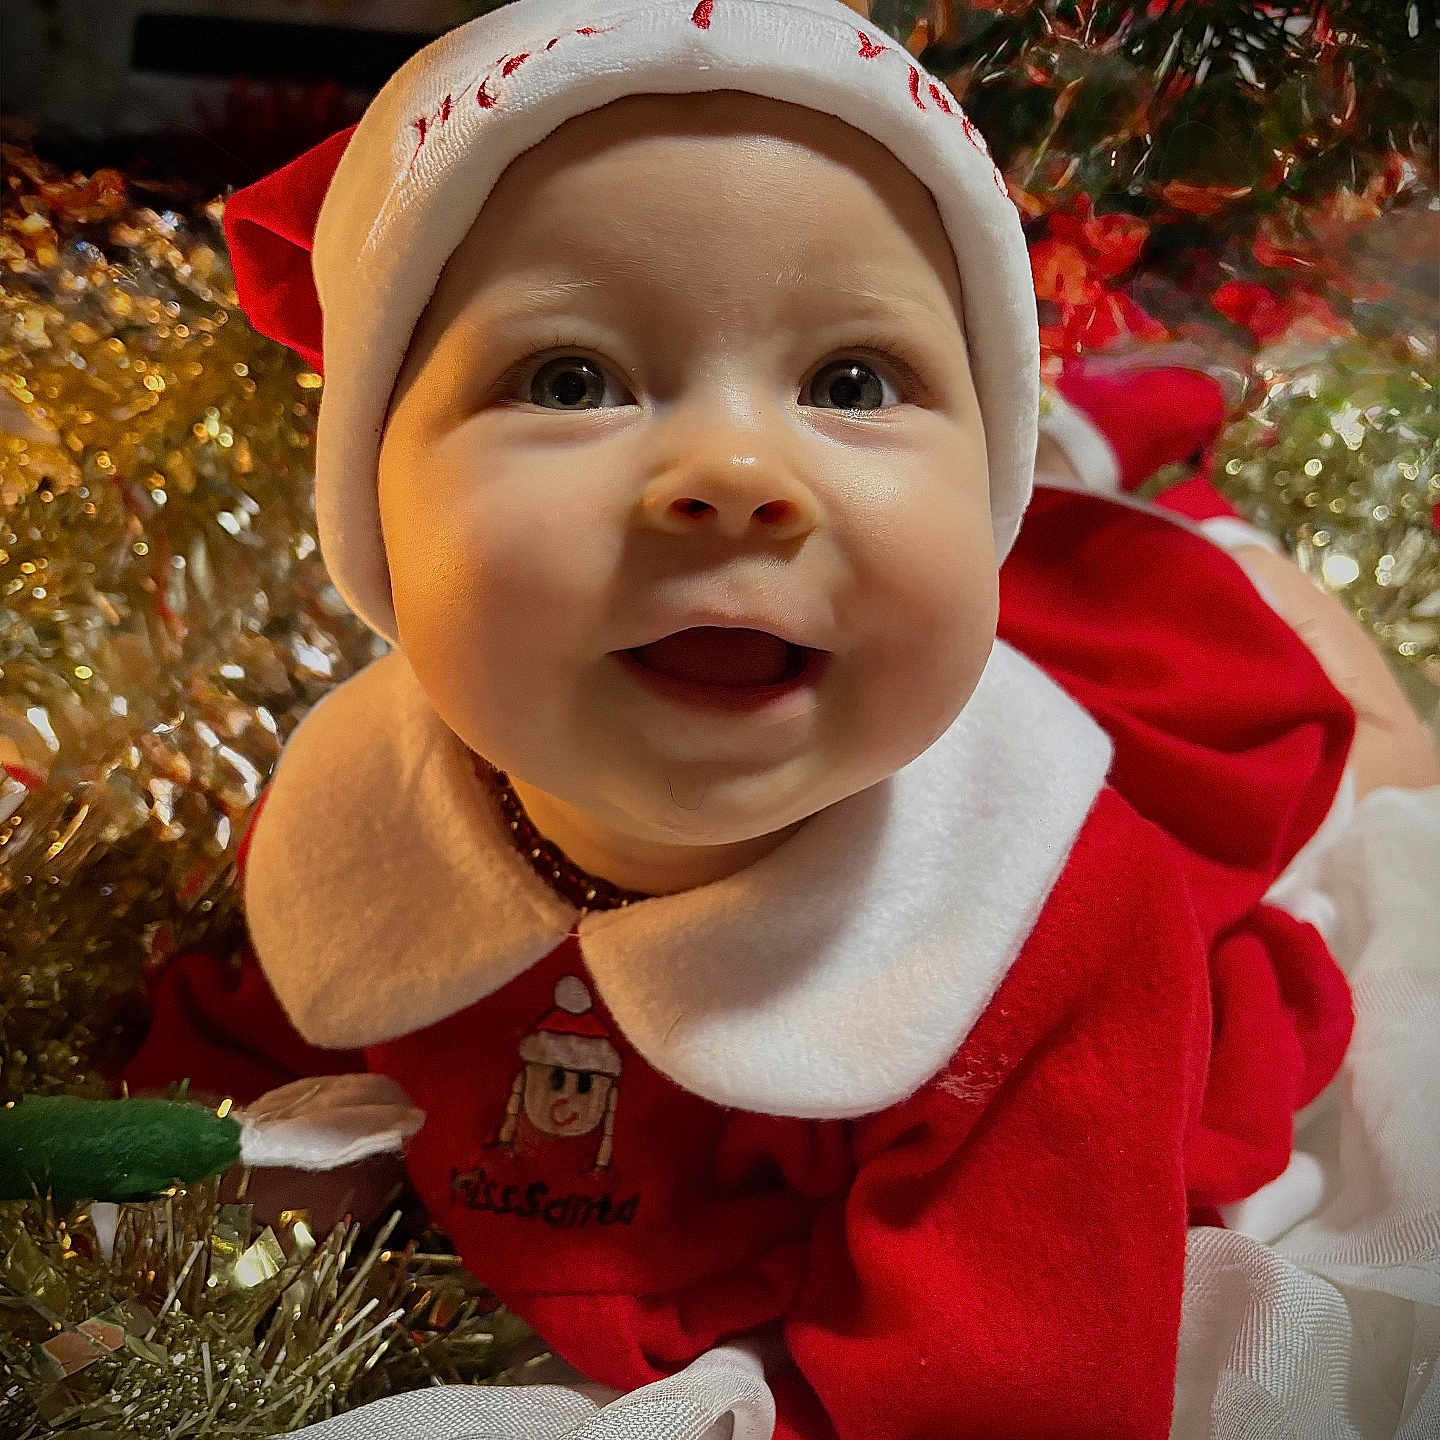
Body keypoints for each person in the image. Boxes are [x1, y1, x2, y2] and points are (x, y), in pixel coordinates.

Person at [121, 1, 1439, 1435]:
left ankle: (1223, 551)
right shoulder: (357, 814)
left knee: (1353, 758)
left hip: (1066, 1122)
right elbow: (247, 1050)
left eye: (852, 383)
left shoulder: (1033, 927)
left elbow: (1009, 1392)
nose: (738, 471)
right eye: (571, 379)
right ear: (373, 499)